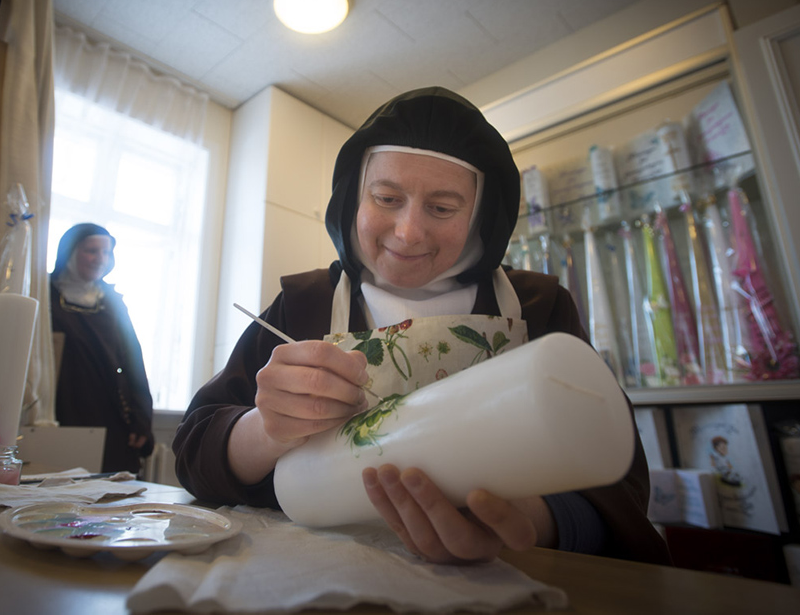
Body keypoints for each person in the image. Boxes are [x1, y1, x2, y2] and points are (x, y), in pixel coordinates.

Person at [173, 87, 671, 565]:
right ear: (353, 200)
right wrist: (267, 429)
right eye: (386, 198)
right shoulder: (304, 303)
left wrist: (531, 520)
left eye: (442, 208)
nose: (409, 232)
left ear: (479, 216)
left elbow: (617, 476)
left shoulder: (538, 307)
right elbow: (194, 450)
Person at [51, 223, 154, 473]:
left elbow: (133, 361)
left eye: (106, 253)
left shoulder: (113, 301)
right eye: (91, 251)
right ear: (69, 252)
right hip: (60, 409)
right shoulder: (46, 295)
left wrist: (142, 417)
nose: (100, 259)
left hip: (109, 413)